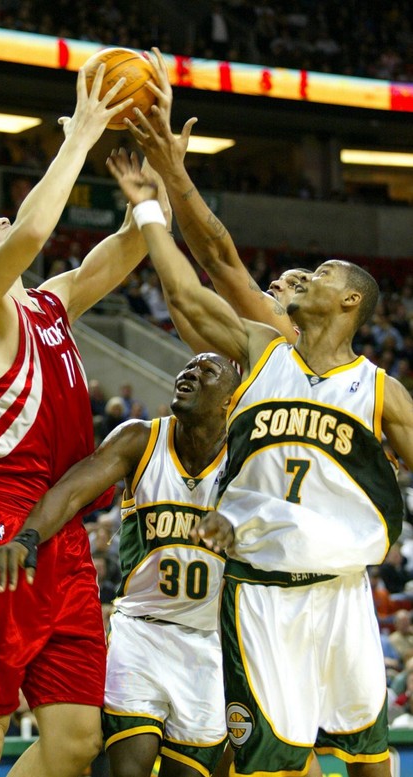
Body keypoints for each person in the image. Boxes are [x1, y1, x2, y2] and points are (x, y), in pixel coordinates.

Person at [105, 150, 413, 777]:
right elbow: (189, 290)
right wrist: (144, 207)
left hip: (342, 591)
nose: (301, 281)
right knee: (269, 767)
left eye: (320, 273)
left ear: (351, 300)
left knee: (368, 756)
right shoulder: (261, 351)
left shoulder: (381, 392)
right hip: (260, 595)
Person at [0, 65, 165, 777]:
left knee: (75, 742)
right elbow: (30, 232)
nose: (1, 219)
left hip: (62, 534)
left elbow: (129, 244)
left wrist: (150, 182)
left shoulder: (52, 303)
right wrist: (81, 134)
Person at [0, 352, 241, 777]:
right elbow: (71, 492)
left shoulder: (244, 459)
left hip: (210, 642)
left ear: (230, 400)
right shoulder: (140, 439)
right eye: (188, 367)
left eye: (207, 372)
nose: (189, 373)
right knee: (128, 768)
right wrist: (28, 536)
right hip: (140, 632)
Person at [128, 48, 306, 350]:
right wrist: (157, 145)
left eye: (295, 285)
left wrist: (170, 167)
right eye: (283, 279)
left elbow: (219, 258)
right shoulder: (242, 347)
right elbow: (181, 298)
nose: (276, 283)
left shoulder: (295, 341)